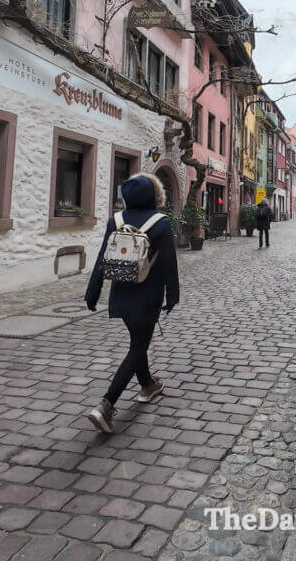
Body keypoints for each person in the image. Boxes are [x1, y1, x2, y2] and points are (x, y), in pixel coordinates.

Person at [84, 173, 179, 433]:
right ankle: (106, 405)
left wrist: (92, 293)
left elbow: (101, 261)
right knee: (138, 346)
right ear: (155, 196)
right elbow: (169, 263)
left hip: (121, 295)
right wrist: (173, 296)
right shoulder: (160, 222)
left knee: (138, 341)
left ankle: (148, 385)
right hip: (148, 295)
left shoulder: (115, 220)